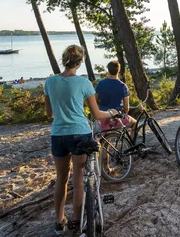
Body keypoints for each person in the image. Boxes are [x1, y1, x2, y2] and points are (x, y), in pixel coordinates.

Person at [44, 45, 119, 235]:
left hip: (58, 134)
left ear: (64, 60)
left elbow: (49, 113)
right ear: (80, 62)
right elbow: (96, 113)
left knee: (61, 179)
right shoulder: (84, 83)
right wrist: (111, 112)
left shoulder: (50, 82)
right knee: (78, 180)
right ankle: (77, 222)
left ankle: (59, 222)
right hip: (79, 133)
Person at [95, 60, 136, 137]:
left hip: (103, 116)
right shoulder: (123, 86)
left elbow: (95, 100)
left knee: (106, 138)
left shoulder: (100, 84)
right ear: (119, 70)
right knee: (135, 124)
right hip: (117, 118)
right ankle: (131, 147)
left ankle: (105, 148)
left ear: (108, 70)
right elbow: (126, 108)